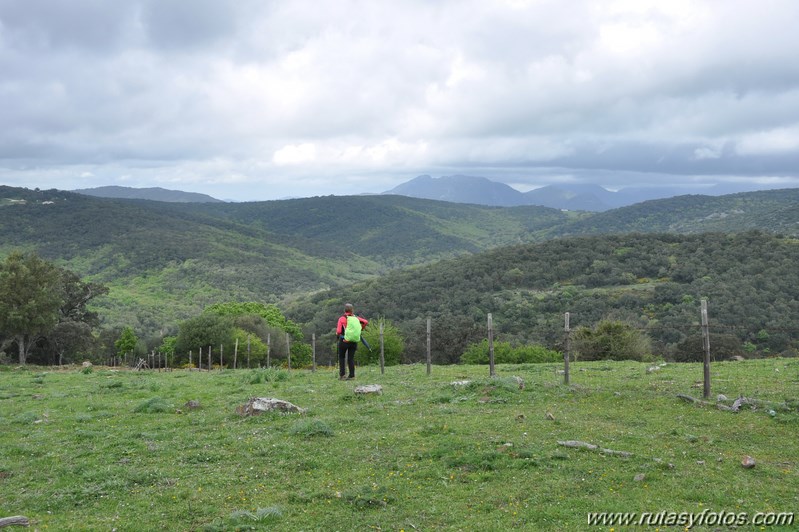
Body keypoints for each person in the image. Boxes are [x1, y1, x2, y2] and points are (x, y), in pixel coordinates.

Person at [336, 303, 368, 380]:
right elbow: (365, 322)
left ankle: (342, 375)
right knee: (351, 358)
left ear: (344, 310)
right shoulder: (356, 318)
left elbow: (339, 330)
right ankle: (352, 375)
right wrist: (361, 328)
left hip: (344, 340)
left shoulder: (342, 319)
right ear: (352, 310)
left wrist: (337, 334)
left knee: (341, 357)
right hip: (354, 340)